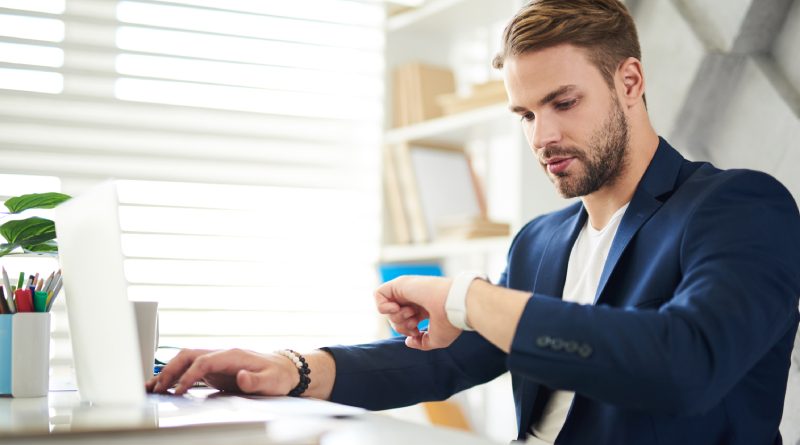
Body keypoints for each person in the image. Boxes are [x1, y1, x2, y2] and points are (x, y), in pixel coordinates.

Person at [147, 0, 800, 443]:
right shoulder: (541, 242)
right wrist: (291, 367)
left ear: (630, 82)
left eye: (563, 102)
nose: (543, 134)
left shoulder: (738, 208)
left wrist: (466, 297)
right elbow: (445, 360)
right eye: (524, 115)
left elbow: (684, 365)